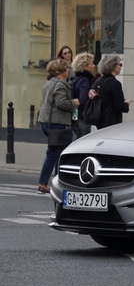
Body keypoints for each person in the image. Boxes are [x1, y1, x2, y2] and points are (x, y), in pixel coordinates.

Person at [36, 59, 80, 194]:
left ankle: (55, 182)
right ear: (61, 71)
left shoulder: (49, 83)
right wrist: (74, 103)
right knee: (55, 153)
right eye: (66, 68)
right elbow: (61, 103)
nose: (68, 70)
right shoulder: (61, 84)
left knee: (57, 152)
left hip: (45, 121)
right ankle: (44, 184)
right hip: (57, 122)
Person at [92, 54, 130, 129]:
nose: (121, 67)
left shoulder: (98, 81)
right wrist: (127, 103)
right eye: (120, 65)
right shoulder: (115, 83)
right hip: (112, 122)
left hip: (99, 120)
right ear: (113, 66)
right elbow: (119, 106)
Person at [71, 52, 96, 139]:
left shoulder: (75, 78)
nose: (94, 66)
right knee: (83, 141)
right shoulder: (85, 80)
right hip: (82, 117)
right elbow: (84, 100)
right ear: (84, 66)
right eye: (91, 64)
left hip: (75, 115)